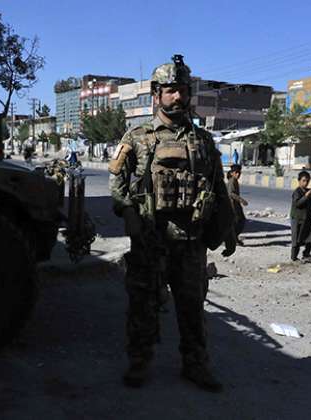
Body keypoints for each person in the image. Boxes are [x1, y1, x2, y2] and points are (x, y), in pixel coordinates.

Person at [108, 55, 234, 392]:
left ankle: (196, 364)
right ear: (156, 94)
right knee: (143, 304)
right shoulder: (137, 137)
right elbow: (117, 185)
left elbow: (219, 189)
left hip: (191, 241)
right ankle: (139, 361)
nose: (176, 97)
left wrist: (229, 226)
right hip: (151, 239)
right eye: (169, 90)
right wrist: (129, 215)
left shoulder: (204, 141)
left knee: (192, 308)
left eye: (181, 90)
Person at [290, 171, 311, 263]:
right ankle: (294, 258)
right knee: (296, 240)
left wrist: (309, 196)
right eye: (303, 181)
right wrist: (306, 196)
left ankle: (306, 254)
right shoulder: (297, 192)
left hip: (306, 218)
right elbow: (297, 204)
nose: (305, 183)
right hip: (297, 219)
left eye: (307, 181)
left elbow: (308, 204)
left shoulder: (307, 191)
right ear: (299, 181)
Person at [227, 164, 248, 245]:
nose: (238, 174)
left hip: (236, 206)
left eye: (239, 173)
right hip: (232, 206)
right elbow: (231, 193)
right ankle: (233, 239)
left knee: (239, 222)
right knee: (239, 222)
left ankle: (234, 238)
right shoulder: (232, 180)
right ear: (232, 173)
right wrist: (242, 200)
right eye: (236, 172)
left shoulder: (234, 180)